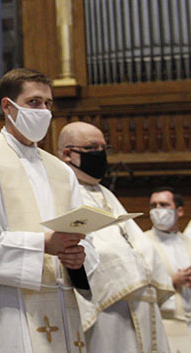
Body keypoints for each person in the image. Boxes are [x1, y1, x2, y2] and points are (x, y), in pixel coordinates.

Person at [0, 68, 98, 353]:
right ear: (7, 106)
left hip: (64, 306)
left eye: (48, 104)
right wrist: (41, 245)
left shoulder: (62, 172)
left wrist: (78, 258)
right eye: (34, 102)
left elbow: (83, 236)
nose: (43, 111)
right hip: (10, 307)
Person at [58, 122, 172, 352]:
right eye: (92, 148)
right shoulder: (60, 191)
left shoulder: (105, 193)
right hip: (107, 308)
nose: (100, 154)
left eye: (104, 147)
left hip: (140, 301)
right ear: (68, 154)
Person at [144, 187, 191, 349]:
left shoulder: (188, 243)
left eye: (164, 205)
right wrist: (172, 282)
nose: (157, 210)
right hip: (165, 322)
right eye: (153, 206)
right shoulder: (142, 243)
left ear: (179, 211)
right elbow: (136, 286)